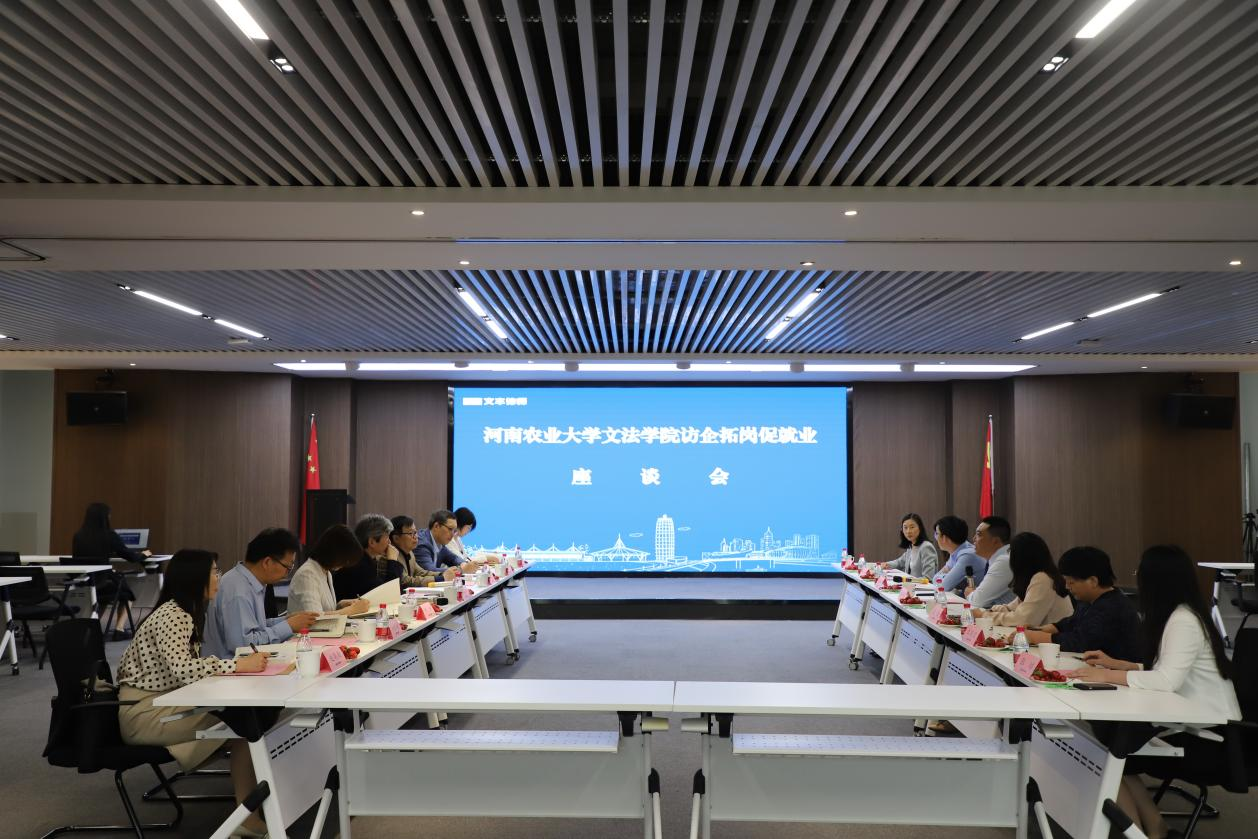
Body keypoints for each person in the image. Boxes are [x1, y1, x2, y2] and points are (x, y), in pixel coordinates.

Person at [1067, 545, 1242, 839]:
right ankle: (1154, 829)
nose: (1137, 578)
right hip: (1189, 721)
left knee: (1106, 750)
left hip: (1209, 737)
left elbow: (1166, 680)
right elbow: (1169, 670)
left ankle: (1139, 832)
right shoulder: (1181, 615)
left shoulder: (1183, 620)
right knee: (1110, 747)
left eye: (1141, 573)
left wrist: (1108, 675)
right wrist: (1122, 665)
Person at [116, 550, 271, 836]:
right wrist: (236, 665)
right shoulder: (175, 615)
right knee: (243, 726)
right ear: (194, 578)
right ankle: (246, 819)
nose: (219, 578)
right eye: (214, 572)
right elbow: (184, 670)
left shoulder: (183, 611)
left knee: (244, 720)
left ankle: (250, 812)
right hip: (145, 713)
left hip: (161, 704)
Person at [202, 528, 319, 659]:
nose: (287, 574)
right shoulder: (238, 592)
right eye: (288, 567)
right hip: (227, 668)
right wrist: (289, 626)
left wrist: (287, 620)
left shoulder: (249, 582)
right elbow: (245, 646)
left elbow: (255, 626)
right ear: (267, 562)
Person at [1024, 546, 1142, 661]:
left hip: (1120, 671)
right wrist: (1037, 630)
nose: (1067, 587)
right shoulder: (1089, 600)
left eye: (1071, 582)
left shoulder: (1113, 606)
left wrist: (1034, 637)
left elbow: (1079, 643)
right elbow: (1070, 623)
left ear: (1093, 581)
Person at [973, 532, 1073, 627]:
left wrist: (984, 615)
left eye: (1011, 553)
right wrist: (990, 611)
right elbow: (1012, 608)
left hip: (1052, 638)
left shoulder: (1043, 579)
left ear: (1020, 559)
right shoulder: (1036, 577)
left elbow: (1023, 620)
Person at [287, 524, 370, 616]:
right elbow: (315, 618)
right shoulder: (307, 575)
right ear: (334, 553)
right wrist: (351, 610)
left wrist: (340, 605)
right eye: (344, 560)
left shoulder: (325, 572)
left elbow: (325, 610)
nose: (344, 565)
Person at [332, 514, 400, 601]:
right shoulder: (359, 564)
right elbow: (388, 595)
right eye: (387, 537)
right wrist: (392, 561)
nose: (390, 542)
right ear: (372, 542)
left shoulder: (362, 558)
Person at [388, 515, 463, 587]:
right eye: (411, 533)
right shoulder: (392, 556)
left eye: (415, 532)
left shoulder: (409, 553)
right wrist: (441, 578)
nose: (416, 537)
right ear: (396, 538)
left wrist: (443, 574)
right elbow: (405, 582)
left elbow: (421, 572)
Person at [72, 501, 151, 562]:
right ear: (105, 518)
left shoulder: (78, 536)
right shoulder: (109, 535)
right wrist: (145, 554)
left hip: (84, 576)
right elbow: (132, 557)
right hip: (103, 576)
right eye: (109, 515)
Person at [964, 516, 1016, 608]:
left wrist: (970, 592)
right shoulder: (1001, 558)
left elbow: (977, 601)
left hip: (1012, 616)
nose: (974, 538)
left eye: (979, 534)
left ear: (995, 541)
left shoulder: (1004, 561)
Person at [932, 515, 982, 595]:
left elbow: (943, 586)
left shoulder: (967, 555)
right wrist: (946, 576)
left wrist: (945, 575)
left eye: (936, 534)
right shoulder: (957, 550)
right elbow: (935, 579)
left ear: (944, 537)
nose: (936, 537)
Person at [881, 513, 938, 579]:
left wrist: (907, 581)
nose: (908, 531)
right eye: (905, 528)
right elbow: (899, 562)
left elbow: (928, 577)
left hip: (920, 585)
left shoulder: (926, 547)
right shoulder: (911, 546)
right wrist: (886, 564)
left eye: (912, 527)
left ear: (920, 528)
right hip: (911, 584)